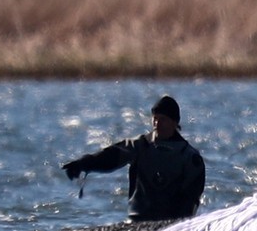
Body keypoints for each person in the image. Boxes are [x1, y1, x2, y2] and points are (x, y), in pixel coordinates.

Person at [61, 95, 205, 222]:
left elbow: (191, 196)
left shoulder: (190, 157)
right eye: (155, 119)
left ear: (175, 122)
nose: (157, 124)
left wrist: (178, 224)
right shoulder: (139, 146)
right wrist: (84, 164)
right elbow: (110, 157)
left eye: (163, 119)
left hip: (173, 225)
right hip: (139, 219)